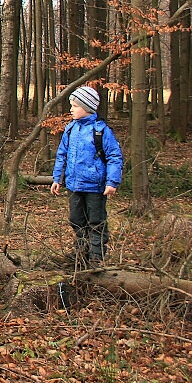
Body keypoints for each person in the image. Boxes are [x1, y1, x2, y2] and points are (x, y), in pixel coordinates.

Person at [50, 86, 123, 268]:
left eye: (75, 106)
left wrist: (112, 182)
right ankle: (81, 252)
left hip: (95, 187)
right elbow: (62, 155)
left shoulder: (101, 130)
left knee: (96, 221)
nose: (71, 109)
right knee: (76, 219)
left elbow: (114, 156)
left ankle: (96, 257)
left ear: (87, 107)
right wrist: (57, 179)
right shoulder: (70, 129)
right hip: (74, 185)